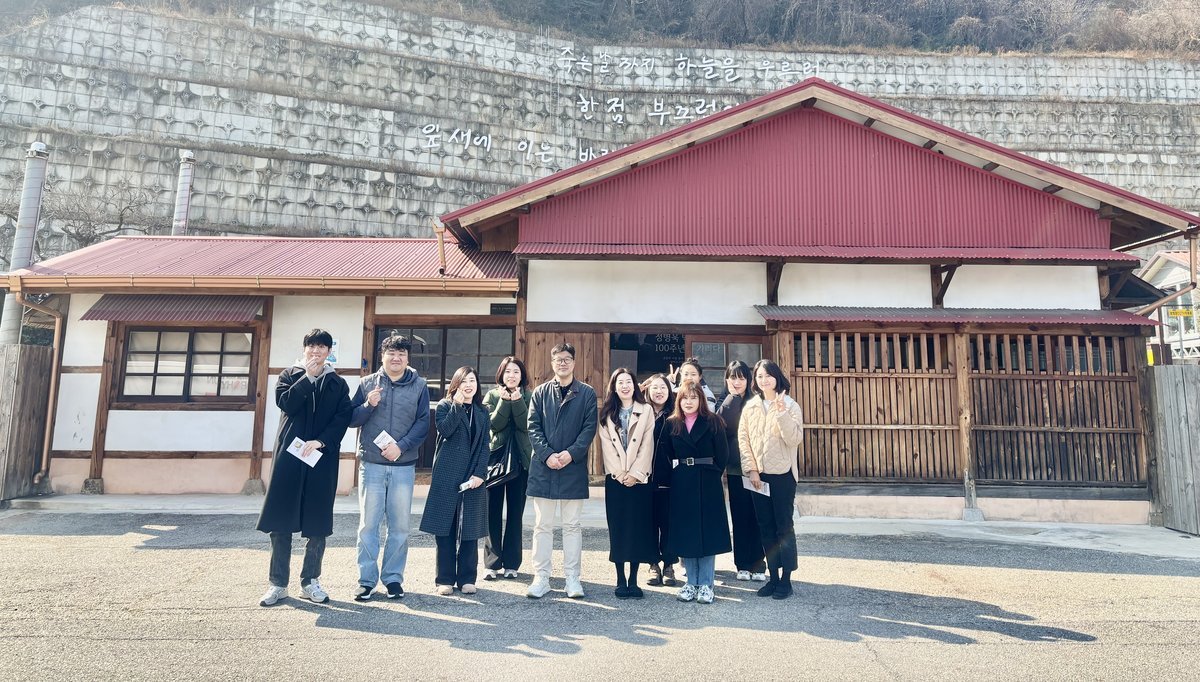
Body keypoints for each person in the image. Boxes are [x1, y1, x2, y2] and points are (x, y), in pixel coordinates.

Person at [256, 329, 352, 607]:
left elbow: (343, 417)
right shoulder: (289, 375)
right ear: (304, 349)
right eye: (312, 346)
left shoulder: (337, 383)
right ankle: (278, 584)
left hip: (320, 457)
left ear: (329, 351)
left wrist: (322, 441)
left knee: (318, 522)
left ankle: (311, 581)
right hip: (290, 456)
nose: (316, 351)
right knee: (281, 520)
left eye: (322, 346)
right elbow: (285, 403)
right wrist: (307, 378)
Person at [348, 333, 430, 601]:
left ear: (407, 358)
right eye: (391, 353)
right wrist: (367, 405)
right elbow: (351, 419)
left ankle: (393, 579)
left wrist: (401, 446)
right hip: (371, 464)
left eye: (401, 354)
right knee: (368, 526)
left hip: (403, 465)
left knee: (400, 527)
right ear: (382, 356)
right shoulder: (367, 383)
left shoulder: (419, 385)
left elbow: (423, 423)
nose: (396, 358)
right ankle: (366, 581)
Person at [525, 342, 598, 600]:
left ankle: (572, 578)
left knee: (572, 526)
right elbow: (533, 427)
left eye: (567, 359)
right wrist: (547, 455)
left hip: (572, 468)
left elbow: (589, 428)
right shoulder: (540, 392)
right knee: (542, 526)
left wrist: (570, 454)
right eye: (558, 359)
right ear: (552, 362)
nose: (563, 363)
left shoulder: (586, 393)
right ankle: (541, 577)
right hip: (543, 467)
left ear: (574, 362)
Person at [659, 379, 732, 605]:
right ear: (679, 401)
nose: (689, 402)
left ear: (701, 399)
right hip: (682, 481)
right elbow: (665, 453)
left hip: (708, 481)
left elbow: (723, 455)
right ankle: (691, 583)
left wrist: (711, 473)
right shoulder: (672, 423)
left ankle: (707, 585)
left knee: (707, 533)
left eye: (693, 397)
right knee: (686, 532)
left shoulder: (713, 421)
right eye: (685, 398)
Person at [738, 359, 805, 600]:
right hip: (759, 477)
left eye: (768, 375)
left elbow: (794, 439)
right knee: (765, 526)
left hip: (783, 476)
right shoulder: (751, 407)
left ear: (776, 377)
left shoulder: (791, 405)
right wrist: (752, 470)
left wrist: (781, 413)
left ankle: (786, 579)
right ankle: (773, 577)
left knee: (783, 526)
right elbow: (743, 440)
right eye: (759, 376)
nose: (764, 380)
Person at [420, 366, 490, 595]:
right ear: (456, 385)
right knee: (445, 529)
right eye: (464, 381)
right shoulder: (444, 406)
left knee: (470, 528)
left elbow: (485, 446)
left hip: (473, 475)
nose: (469, 385)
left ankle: (468, 578)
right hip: (447, 474)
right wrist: (457, 406)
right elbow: (446, 430)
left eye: (472, 381)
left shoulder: (482, 411)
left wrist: (480, 474)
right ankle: (445, 579)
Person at [598, 368, 657, 599]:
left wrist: (635, 473)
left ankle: (633, 580)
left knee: (637, 529)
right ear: (614, 387)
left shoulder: (646, 410)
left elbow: (647, 444)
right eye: (620, 382)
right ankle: (620, 579)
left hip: (639, 480)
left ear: (635, 385)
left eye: (628, 382)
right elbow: (607, 447)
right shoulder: (607, 413)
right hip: (616, 481)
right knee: (619, 529)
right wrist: (620, 473)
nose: (625, 386)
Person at [716, 361, 769, 584]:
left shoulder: (757, 401)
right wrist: (732, 398)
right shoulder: (724, 401)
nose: (737, 382)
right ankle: (743, 565)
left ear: (748, 380)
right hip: (736, 469)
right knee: (740, 517)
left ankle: (758, 564)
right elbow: (721, 425)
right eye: (732, 377)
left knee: (758, 516)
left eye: (741, 378)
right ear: (727, 379)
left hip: (758, 468)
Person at [482, 356, 532, 580]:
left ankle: (512, 563)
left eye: (516, 372)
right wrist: (504, 401)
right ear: (501, 374)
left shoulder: (529, 396)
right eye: (508, 371)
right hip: (495, 461)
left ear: (522, 376)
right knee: (491, 513)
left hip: (521, 461)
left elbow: (525, 425)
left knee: (515, 514)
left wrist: (518, 401)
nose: (512, 376)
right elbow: (493, 424)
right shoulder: (492, 395)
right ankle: (491, 564)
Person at [640, 373, 678, 587]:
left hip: (669, 477)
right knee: (649, 523)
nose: (659, 391)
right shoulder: (641, 411)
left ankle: (669, 564)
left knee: (669, 523)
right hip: (644, 477)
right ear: (648, 390)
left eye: (663, 387)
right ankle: (653, 564)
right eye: (654, 387)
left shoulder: (675, 414)